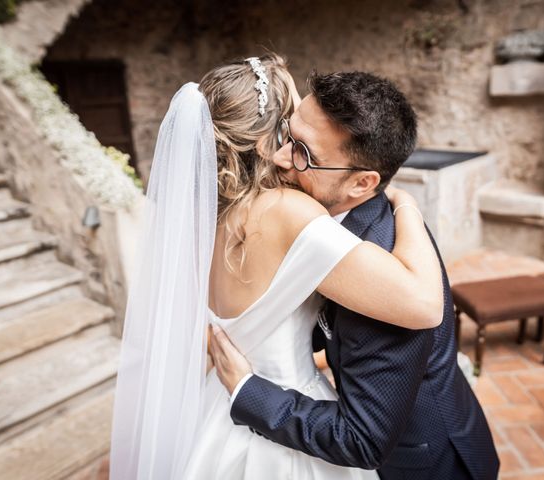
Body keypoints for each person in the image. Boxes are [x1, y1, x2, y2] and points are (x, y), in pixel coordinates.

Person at [109, 53, 443, 480]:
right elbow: (424, 304)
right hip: (285, 422)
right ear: (266, 141)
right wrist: (408, 204)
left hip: (219, 405)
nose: (289, 155)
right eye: (289, 133)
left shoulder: (204, 217)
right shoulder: (288, 212)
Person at [210, 71, 501, 480]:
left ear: (362, 183)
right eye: (285, 137)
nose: (279, 158)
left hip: (425, 464)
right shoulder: (314, 223)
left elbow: (362, 439)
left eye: (303, 154)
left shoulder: (381, 266)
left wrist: (246, 389)